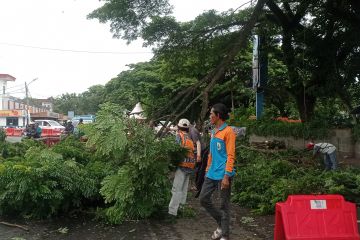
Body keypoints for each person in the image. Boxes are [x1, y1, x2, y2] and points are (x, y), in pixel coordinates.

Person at [199, 103, 236, 240]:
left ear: (218, 115)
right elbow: (211, 154)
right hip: (211, 173)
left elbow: (231, 155)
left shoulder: (229, 132)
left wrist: (227, 176)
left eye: (211, 114)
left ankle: (224, 235)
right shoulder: (214, 131)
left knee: (223, 205)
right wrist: (208, 168)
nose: (210, 116)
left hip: (223, 175)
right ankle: (222, 221)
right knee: (203, 199)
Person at [168, 118, 196, 217]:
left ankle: (172, 212)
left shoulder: (179, 136)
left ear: (179, 127)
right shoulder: (189, 138)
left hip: (181, 166)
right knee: (184, 189)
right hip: (190, 167)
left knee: (176, 189)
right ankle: (181, 209)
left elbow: (175, 151)